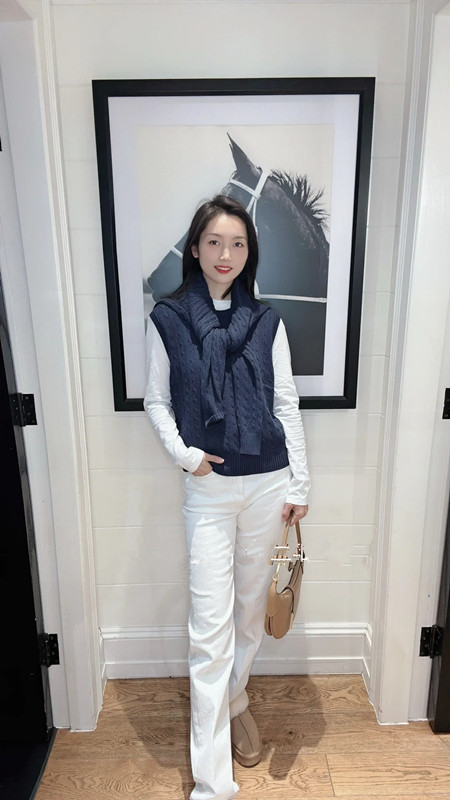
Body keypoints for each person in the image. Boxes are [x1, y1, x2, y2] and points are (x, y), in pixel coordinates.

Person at [144, 194, 310, 800]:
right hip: (209, 491)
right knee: (209, 628)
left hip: (268, 483)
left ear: (249, 253)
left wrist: (300, 483)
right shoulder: (167, 318)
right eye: (214, 241)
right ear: (195, 248)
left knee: (247, 616)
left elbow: (285, 402)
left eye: (238, 244)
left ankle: (234, 700)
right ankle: (213, 784)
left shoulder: (267, 322)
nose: (226, 254)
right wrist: (185, 455)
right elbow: (157, 400)